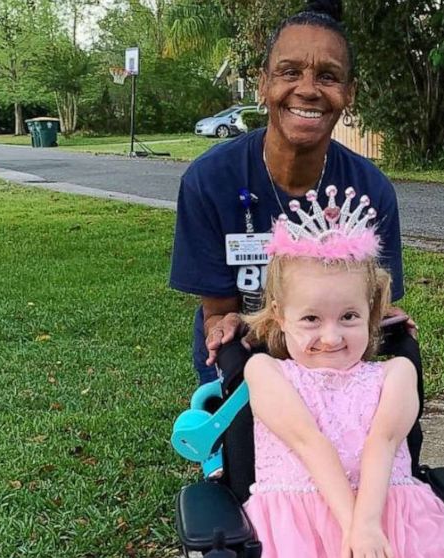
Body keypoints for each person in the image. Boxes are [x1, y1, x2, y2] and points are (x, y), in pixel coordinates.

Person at [169, 0, 412, 385]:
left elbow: (373, 306)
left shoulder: (370, 190)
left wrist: (389, 320)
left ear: (350, 93)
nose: (308, 89)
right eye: (290, 71)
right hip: (244, 366)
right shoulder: (209, 181)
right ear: (263, 83)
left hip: (332, 366)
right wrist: (226, 324)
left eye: (328, 76)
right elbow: (217, 313)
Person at [240, 188, 444, 558]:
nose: (331, 336)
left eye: (349, 316)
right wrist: (355, 527)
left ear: (371, 314)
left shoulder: (396, 374)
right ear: (278, 316)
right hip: (297, 530)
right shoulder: (265, 371)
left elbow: (382, 443)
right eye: (310, 318)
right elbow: (308, 441)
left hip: (390, 518)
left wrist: (368, 526)